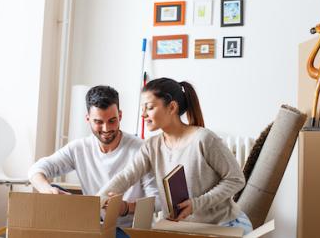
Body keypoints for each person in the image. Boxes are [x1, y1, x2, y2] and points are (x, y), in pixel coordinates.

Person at [98, 78, 253, 234]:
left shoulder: (204, 139)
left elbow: (236, 179)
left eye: (149, 108)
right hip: (183, 229)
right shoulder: (152, 146)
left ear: (172, 107)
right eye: (142, 109)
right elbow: (126, 176)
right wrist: (97, 200)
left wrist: (196, 204)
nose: (143, 115)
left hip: (224, 225)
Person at [28, 85, 159, 228]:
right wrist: (47, 190)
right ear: (88, 119)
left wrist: (126, 208)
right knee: (52, 188)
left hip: (129, 230)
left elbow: (157, 201)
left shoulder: (142, 149)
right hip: (93, 225)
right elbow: (36, 169)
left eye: (112, 121)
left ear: (120, 116)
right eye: (98, 122)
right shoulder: (79, 148)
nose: (106, 129)